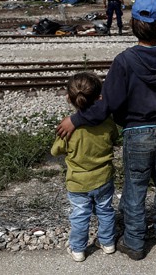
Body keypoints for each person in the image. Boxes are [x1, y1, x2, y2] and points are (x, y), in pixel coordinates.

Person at [56, 0, 156, 261]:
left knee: (135, 191)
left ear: (132, 23)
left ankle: (135, 244)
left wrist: (75, 119)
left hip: (135, 135)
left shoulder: (124, 61)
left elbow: (107, 105)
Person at [51, 72, 119, 262]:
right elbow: (115, 138)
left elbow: (56, 150)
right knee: (105, 210)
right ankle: (107, 243)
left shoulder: (68, 128)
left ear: (68, 99)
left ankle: (79, 249)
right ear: (99, 97)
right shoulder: (107, 122)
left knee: (80, 215)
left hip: (78, 182)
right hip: (104, 177)